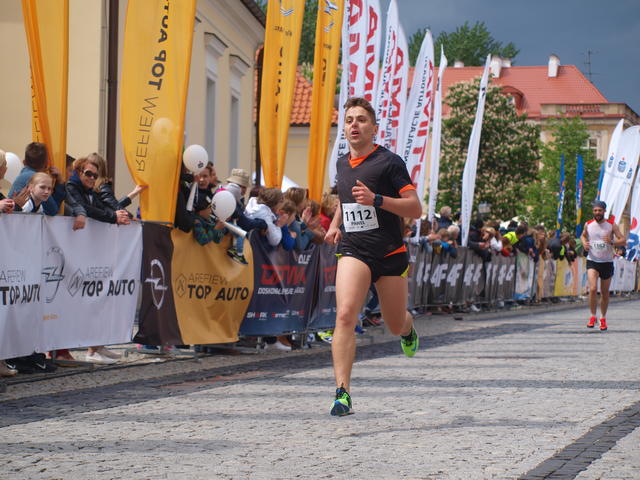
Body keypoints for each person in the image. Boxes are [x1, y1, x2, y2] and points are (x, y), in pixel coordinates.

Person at [324, 97, 422, 416]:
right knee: (345, 315)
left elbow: (415, 208)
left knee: (394, 324)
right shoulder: (342, 164)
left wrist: (377, 200)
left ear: (374, 128)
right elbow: (345, 201)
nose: (354, 124)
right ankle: (342, 393)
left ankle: (407, 328)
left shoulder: (390, 162)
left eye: (361, 119)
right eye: (349, 120)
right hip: (354, 249)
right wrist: (335, 226)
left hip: (389, 252)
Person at [580, 200, 626, 331]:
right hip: (592, 260)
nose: (597, 213)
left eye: (599, 210)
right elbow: (583, 236)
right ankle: (592, 316)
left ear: (604, 211)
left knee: (605, 293)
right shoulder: (588, 224)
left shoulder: (611, 225)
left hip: (607, 262)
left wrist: (612, 241)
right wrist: (584, 243)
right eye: (595, 210)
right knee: (593, 288)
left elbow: (623, 240)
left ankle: (603, 318)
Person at [8, 142, 65, 215]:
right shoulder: (37, 178)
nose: (46, 191)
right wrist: (60, 183)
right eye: (42, 187)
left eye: (49, 189)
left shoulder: (22, 175)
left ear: (24, 162)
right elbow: (52, 210)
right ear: (46, 164)